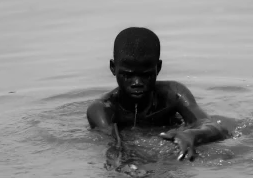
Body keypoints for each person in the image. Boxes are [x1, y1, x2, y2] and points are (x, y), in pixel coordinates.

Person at [87, 27, 234, 161]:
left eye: (146, 75)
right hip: (142, 147)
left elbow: (215, 127)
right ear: (113, 68)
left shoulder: (174, 94)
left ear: (158, 68)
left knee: (226, 156)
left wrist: (192, 135)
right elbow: (114, 145)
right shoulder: (101, 109)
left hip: (169, 141)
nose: (137, 82)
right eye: (128, 75)